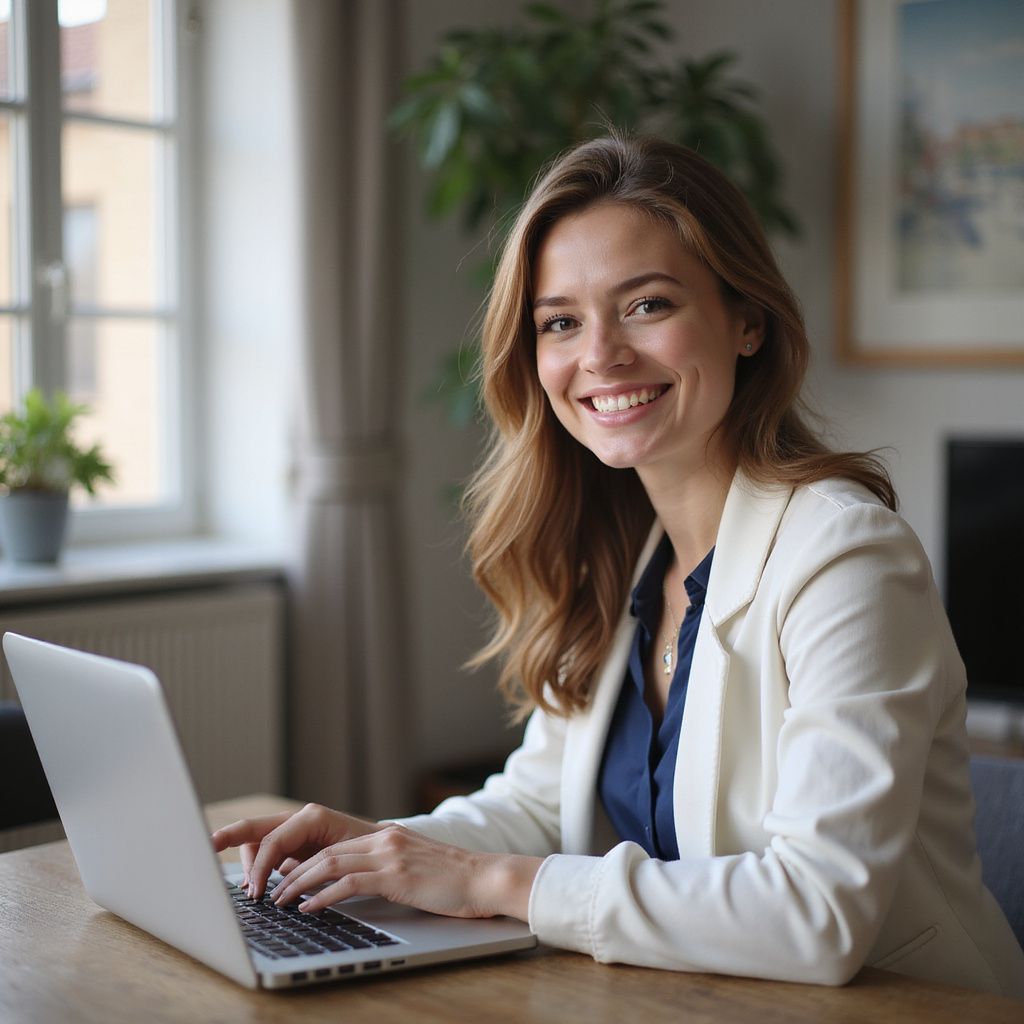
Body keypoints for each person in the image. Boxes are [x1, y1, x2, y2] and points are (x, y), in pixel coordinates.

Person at [213, 134, 1024, 996]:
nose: (599, 354)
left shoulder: (848, 559)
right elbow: (537, 804)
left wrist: (492, 883)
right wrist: (375, 847)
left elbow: (815, 912)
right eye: (560, 321)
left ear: (747, 320)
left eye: (646, 305)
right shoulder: (619, 557)